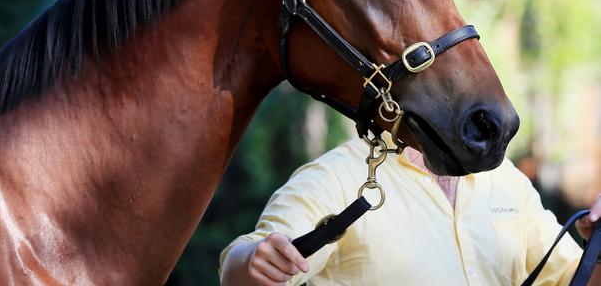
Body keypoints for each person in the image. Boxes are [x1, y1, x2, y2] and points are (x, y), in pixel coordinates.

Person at [219, 133, 601, 286]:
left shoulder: (503, 177)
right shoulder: (334, 176)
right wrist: (251, 261)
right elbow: (244, 263)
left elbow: (576, 278)